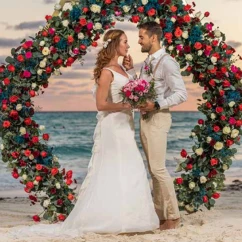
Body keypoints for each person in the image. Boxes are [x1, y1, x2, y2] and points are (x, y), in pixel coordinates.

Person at [8, 29, 159, 239]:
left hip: (125, 124)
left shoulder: (123, 69)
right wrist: (127, 104)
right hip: (113, 126)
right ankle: (110, 218)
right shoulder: (107, 71)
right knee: (117, 166)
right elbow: (101, 104)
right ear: (115, 44)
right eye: (125, 42)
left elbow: (131, 88)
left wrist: (131, 71)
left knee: (130, 166)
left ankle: (132, 217)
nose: (128, 45)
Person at [123, 22, 188, 230]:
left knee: (159, 169)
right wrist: (131, 71)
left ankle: (174, 217)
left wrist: (158, 104)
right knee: (153, 170)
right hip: (146, 118)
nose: (138, 41)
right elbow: (143, 89)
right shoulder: (147, 62)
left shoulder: (168, 62)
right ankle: (162, 217)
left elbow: (181, 93)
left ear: (154, 38)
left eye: (141, 37)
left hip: (159, 117)